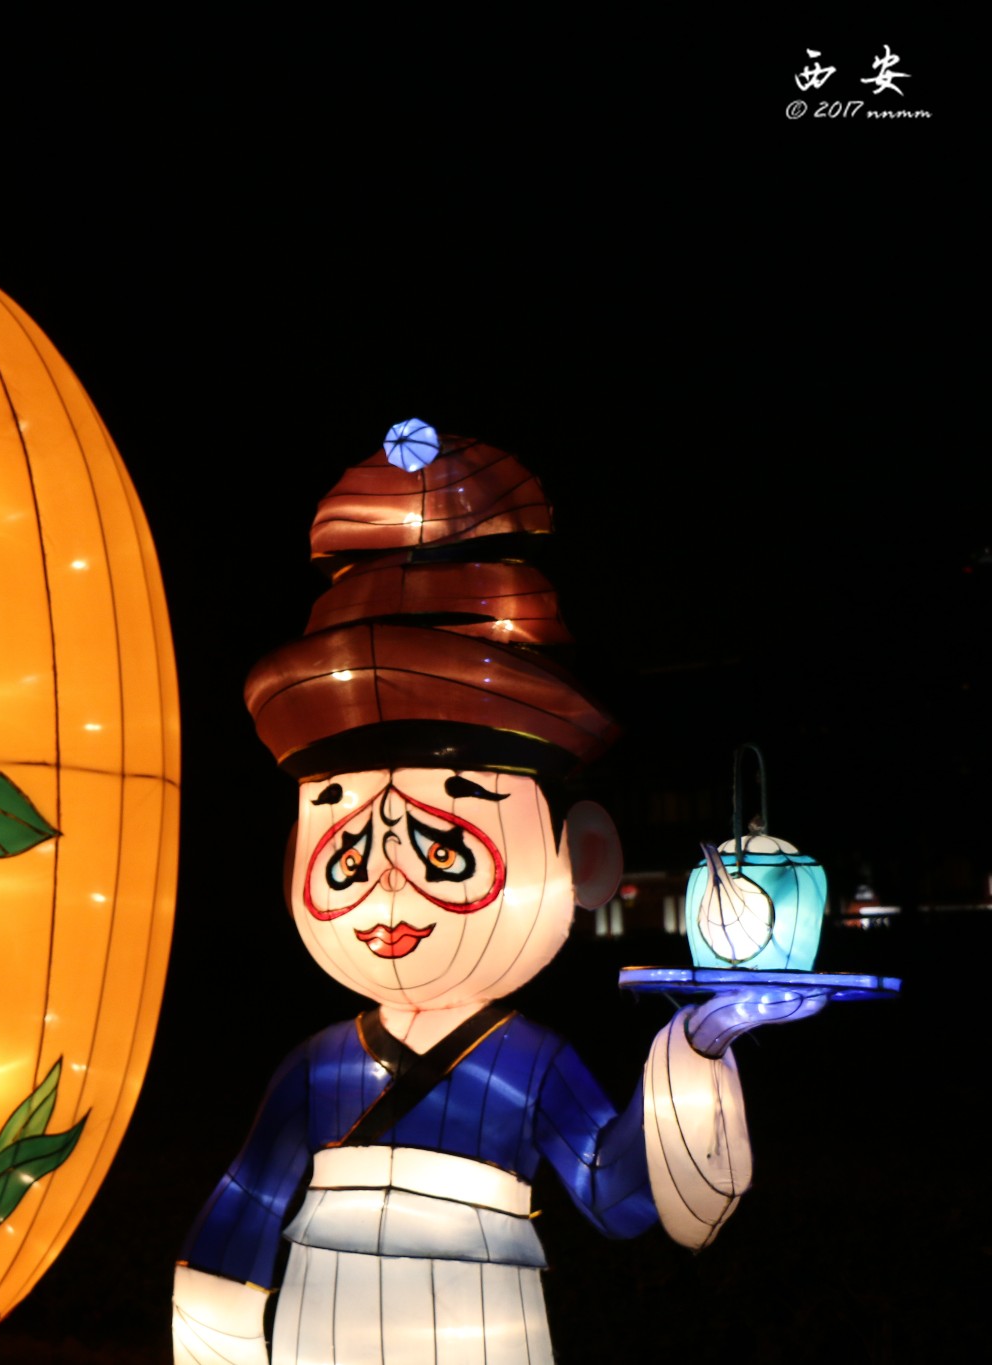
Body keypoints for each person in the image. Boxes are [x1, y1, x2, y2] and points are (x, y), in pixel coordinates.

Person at [170, 426, 824, 1365]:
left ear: (580, 856)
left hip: (484, 1318)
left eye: (443, 845)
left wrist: (697, 1047)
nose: (387, 888)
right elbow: (248, 1198)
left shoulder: (533, 1061)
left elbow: (615, 1197)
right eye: (344, 851)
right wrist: (217, 1332)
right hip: (321, 1321)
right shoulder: (314, 1068)